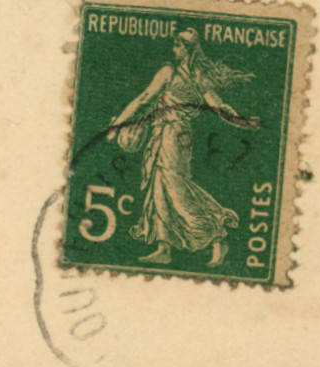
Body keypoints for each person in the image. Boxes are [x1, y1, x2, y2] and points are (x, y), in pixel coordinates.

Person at [108, 28, 259, 266]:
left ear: (186, 48)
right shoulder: (199, 76)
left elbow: (144, 98)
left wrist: (116, 125)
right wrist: (241, 121)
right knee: (160, 186)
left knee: (174, 186)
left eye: (177, 45)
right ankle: (164, 246)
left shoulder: (170, 72)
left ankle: (217, 233)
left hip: (171, 133)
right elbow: (220, 108)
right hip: (173, 134)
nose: (173, 49)